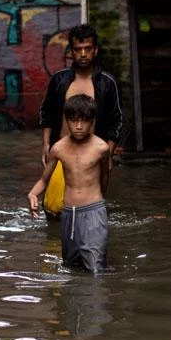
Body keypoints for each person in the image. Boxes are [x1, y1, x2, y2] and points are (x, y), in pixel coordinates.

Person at [38, 24, 122, 216]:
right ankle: (54, 244)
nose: (83, 54)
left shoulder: (107, 82)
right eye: (78, 49)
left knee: (92, 210)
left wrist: (108, 154)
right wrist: (45, 144)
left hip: (93, 156)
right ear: (71, 51)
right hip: (62, 152)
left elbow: (117, 120)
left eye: (88, 49)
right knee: (53, 209)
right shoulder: (59, 80)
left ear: (95, 50)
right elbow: (47, 112)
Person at [28, 95, 111, 273]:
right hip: (68, 214)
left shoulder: (101, 148)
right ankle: (73, 301)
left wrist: (100, 205)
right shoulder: (58, 148)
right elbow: (44, 179)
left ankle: (97, 300)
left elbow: (105, 176)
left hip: (93, 212)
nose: (79, 126)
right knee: (70, 267)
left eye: (84, 121)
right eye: (73, 121)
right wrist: (33, 194)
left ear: (92, 122)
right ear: (66, 121)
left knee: (95, 268)